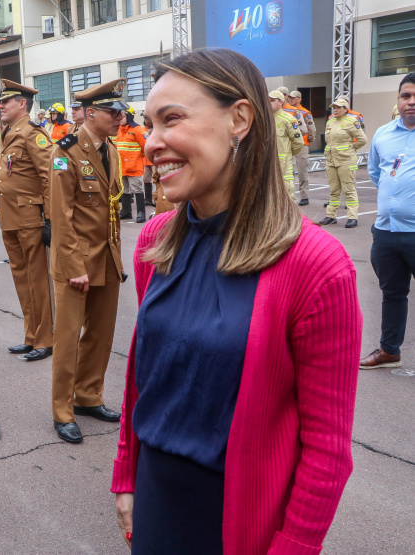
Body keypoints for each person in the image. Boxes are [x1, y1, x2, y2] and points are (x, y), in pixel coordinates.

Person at [112, 48, 362, 555]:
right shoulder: (154, 242)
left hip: (241, 518)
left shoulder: (316, 265)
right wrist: (127, 476)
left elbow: (327, 449)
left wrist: (293, 547)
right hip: (156, 500)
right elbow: (147, 377)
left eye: (172, 119)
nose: (154, 142)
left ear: (240, 119)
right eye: (149, 124)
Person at [48, 79, 126, 443]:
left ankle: (88, 395)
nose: (119, 118)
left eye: (120, 112)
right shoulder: (65, 151)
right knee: (67, 338)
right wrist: (73, 265)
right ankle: (62, 410)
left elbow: (111, 208)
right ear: (91, 113)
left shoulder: (110, 149)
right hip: (77, 261)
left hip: (107, 257)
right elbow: (61, 215)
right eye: (113, 112)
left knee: (100, 334)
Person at [0, 79, 54, 362]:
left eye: (6, 101)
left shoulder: (33, 133)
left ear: (22, 104)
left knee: (38, 280)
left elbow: (51, 177)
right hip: (10, 216)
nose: (0, 106)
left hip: (30, 218)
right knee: (22, 279)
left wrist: (50, 219)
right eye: (1, 101)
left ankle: (46, 338)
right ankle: (31, 335)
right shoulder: (7, 132)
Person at [361, 72, 415, 370]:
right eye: (406, 96)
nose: (411, 102)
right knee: (392, 294)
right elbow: (376, 174)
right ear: (398, 99)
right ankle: (389, 351)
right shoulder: (383, 134)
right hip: (386, 232)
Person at [318, 97, 367, 228]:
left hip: (346, 159)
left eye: (339, 107)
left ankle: (352, 217)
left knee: (349, 189)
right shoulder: (331, 121)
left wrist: (351, 149)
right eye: (334, 107)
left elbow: (362, 139)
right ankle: (331, 216)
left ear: (346, 109)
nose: (335, 110)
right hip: (331, 159)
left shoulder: (352, 121)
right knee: (334, 189)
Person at [117, 104, 149, 223]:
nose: (120, 118)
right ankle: (126, 211)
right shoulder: (120, 129)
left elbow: (146, 147)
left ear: (129, 115)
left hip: (134, 167)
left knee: (137, 190)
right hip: (122, 167)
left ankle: (141, 213)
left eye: (123, 115)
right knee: (124, 190)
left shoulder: (138, 129)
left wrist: (137, 160)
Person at [268, 90, 304, 194]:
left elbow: (298, 142)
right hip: (268, 163)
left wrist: (287, 153)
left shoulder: (288, 119)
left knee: (286, 193)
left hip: (283, 164)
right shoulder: (265, 119)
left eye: (272, 100)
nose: (268, 103)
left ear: (280, 102)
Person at [285, 90, 317, 206]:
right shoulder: (286, 111)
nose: (291, 100)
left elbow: (311, 128)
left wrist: (310, 140)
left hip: (302, 144)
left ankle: (304, 196)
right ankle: (290, 195)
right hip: (290, 144)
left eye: (294, 98)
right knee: (289, 171)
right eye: (290, 98)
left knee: (302, 171)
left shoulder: (304, 112)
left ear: (299, 99)